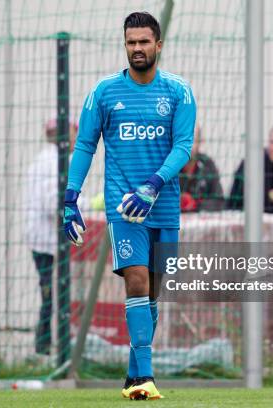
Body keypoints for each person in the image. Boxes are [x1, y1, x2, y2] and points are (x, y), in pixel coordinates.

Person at [61, 12, 195, 400]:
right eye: (131, 42)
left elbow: (183, 147)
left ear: (158, 45)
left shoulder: (178, 92)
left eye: (144, 42)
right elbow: (85, 145)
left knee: (153, 292)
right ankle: (145, 379)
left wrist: (153, 185)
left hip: (163, 206)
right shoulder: (103, 92)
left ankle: (134, 371)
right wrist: (70, 200)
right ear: (125, 45)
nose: (137, 48)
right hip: (126, 207)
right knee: (136, 279)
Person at [22, 118, 77, 356]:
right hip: (47, 241)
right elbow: (53, 203)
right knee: (52, 293)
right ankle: (46, 346)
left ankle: (48, 344)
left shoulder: (49, 159)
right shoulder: (53, 161)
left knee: (51, 292)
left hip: (44, 239)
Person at [179, 125, 224, 212]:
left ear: (199, 143)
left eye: (192, 140)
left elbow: (219, 201)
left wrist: (195, 204)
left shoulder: (207, 164)